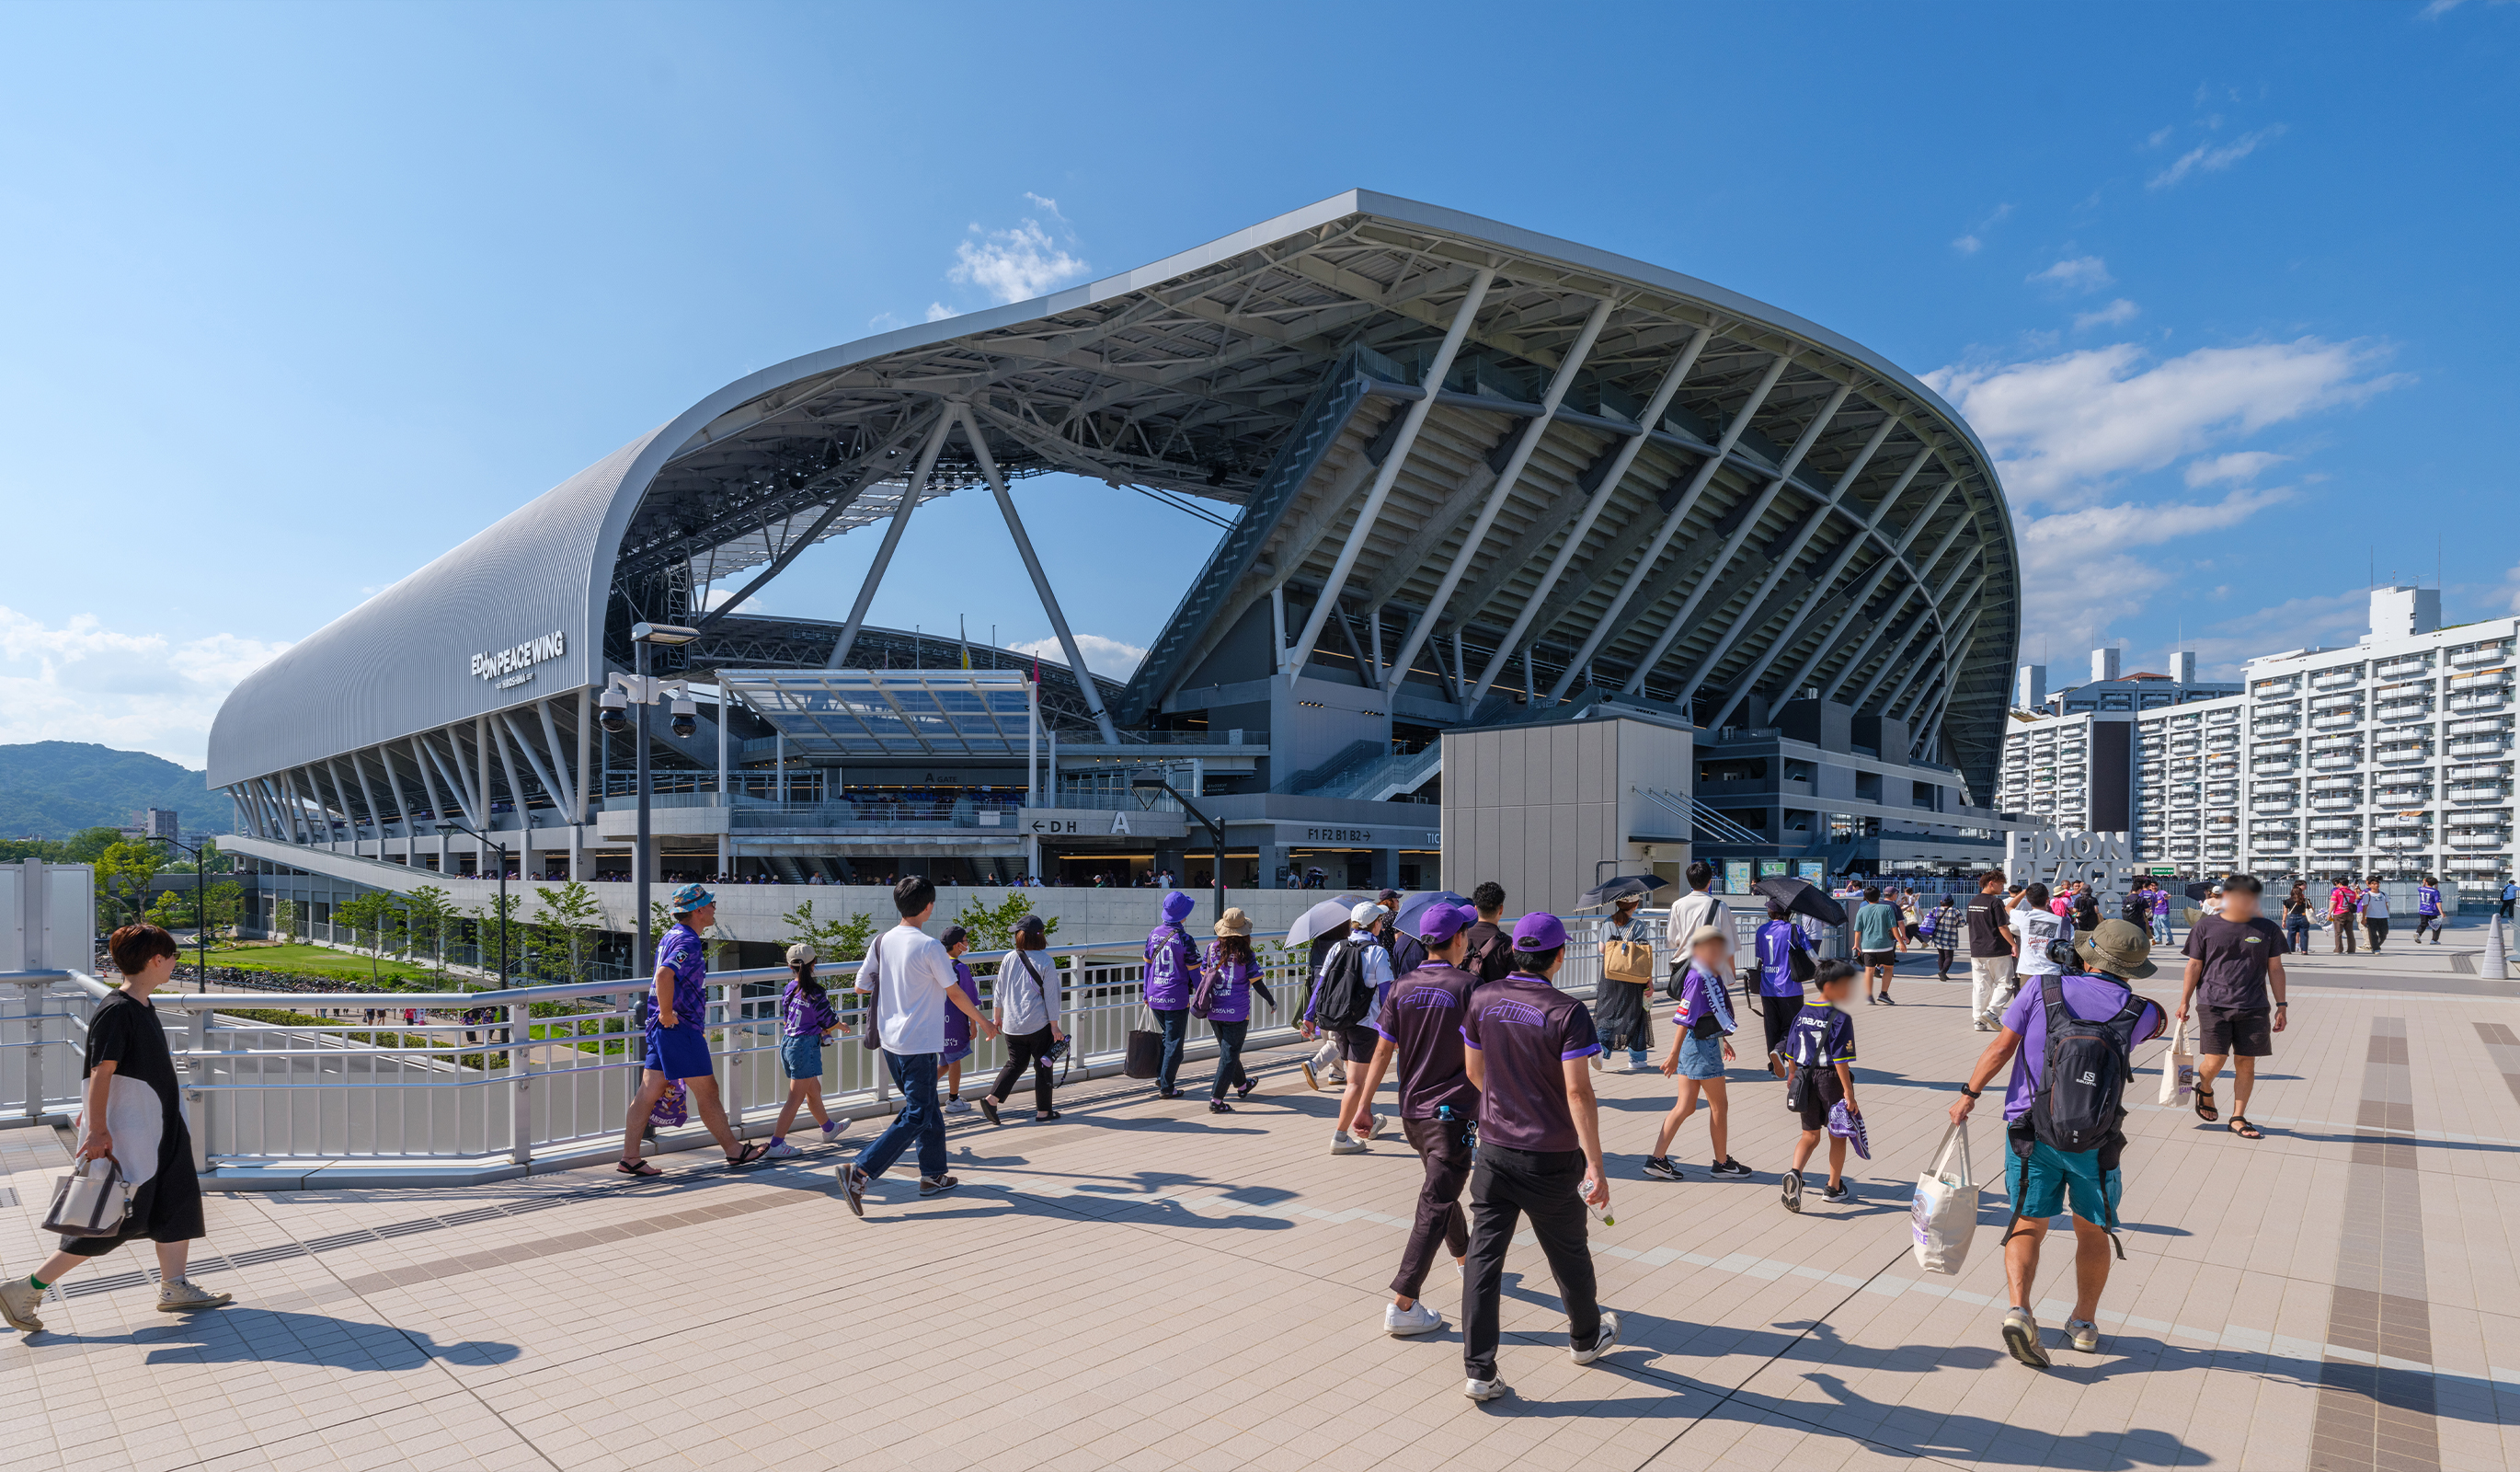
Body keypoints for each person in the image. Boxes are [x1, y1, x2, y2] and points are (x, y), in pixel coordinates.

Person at [1947, 918, 2166, 1367]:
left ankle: (2020, 1310)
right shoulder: (2139, 1011)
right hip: (2096, 1139)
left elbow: (2000, 1050)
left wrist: (1968, 1095)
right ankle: (2084, 1324)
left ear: (2086, 956)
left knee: (2028, 1221)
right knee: (2092, 1229)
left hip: (2030, 1129)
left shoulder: (2040, 990)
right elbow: (2160, 1023)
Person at [1, 925, 231, 1333]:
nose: (176, 962)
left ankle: (174, 1286)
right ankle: (26, 1288)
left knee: (176, 1202)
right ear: (155, 960)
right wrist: (97, 1132)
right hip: (132, 1134)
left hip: (160, 1126)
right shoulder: (117, 1010)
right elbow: (99, 1073)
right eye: (173, 956)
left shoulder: (140, 1005)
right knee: (112, 1219)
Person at [1460, 913, 1618, 1401]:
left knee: (1484, 1260)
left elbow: (1473, 1071)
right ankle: (1585, 1338)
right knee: (1569, 1249)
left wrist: (1505, 1108)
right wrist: (1595, 1163)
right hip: (1550, 1154)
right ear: (1559, 955)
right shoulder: (1567, 1012)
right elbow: (1578, 1092)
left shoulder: (1482, 998)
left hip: (1494, 1151)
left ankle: (1479, 1371)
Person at [839, 877, 1000, 1215]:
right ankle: (861, 1171)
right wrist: (983, 1021)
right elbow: (954, 992)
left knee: (926, 1107)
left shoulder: (881, 941)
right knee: (918, 1112)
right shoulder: (930, 947)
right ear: (928, 907)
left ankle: (933, 1175)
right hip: (919, 1043)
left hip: (890, 1042)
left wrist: (898, 985)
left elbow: (861, 987)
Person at [1369, 903, 1483, 1336]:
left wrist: (1361, 1106)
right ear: (1458, 939)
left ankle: (1464, 1257)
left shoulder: (1401, 987)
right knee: (1436, 1199)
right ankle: (1403, 1301)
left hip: (1412, 1112)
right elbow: (1483, 1057)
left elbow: (1382, 1050)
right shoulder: (1469, 987)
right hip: (1453, 1114)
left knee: (1442, 1187)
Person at [619, 885, 770, 1176]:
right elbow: (664, 975)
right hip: (679, 1028)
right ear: (698, 910)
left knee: (648, 1092)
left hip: (661, 1028)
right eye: (710, 904)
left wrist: (661, 1016)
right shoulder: (687, 941)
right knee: (708, 1091)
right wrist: (667, 1014)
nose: (714, 907)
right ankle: (735, 1152)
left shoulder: (671, 935)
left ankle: (630, 1157)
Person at [2176, 873, 2289, 1142]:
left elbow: (2275, 968)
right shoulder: (2205, 927)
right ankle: (2204, 1086)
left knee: (2246, 1063)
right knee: (2215, 1060)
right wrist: (2184, 1000)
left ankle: (2237, 1117)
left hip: (2254, 1005)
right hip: (2213, 1002)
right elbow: (2194, 965)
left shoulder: (2268, 929)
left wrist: (2281, 1005)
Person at [1644, 926, 1751, 1182]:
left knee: (1686, 1106)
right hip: (1700, 1047)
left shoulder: (1706, 972)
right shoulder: (1698, 976)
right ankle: (1722, 1163)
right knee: (1719, 1106)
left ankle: (1657, 1160)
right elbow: (1684, 1018)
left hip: (1703, 1043)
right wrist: (1672, 1055)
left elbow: (1710, 1011)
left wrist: (1722, 1040)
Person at [1305, 901, 1396, 1154]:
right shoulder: (1378, 953)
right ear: (1374, 925)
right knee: (1356, 1083)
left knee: (1355, 1082)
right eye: (1379, 921)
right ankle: (1340, 1136)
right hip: (1365, 1024)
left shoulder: (1337, 947)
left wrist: (1309, 1015)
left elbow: (1321, 984)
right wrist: (1394, 1028)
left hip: (1339, 1021)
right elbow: (1387, 994)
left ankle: (1367, 1120)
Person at [1779, 959, 1861, 1212]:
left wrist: (1793, 1077)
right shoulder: (1840, 1017)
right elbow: (1840, 1059)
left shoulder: (1802, 1013)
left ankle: (1795, 1173)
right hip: (1830, 1080)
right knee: (1838, 1135)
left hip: (1804, 1076)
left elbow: (1790, 1051)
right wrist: (1849, 1092)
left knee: (1809, 1135)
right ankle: (1833, 1187)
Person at [764, 943, 850, 1158]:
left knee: (814, 1089)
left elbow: (789, 1018)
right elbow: (828, 1019)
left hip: (789, 1043)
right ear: (814, 965)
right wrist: (840, 1026)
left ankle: (829, 1128)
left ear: (790, 966)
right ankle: (776, 1144)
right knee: (795, 1097)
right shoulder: (815, 991)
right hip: (805, 1047)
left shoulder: (789, 988)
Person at [977, 914, 1065, 1125]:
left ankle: (992, 1099)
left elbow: (998, 990)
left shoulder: (1009, 957)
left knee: (1016, 1063)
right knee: (1043, 1065)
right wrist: (1055, 1026)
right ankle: (1044, 1112)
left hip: (1012, 1025)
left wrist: (996, 1018)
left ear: (1021, 936)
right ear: (1041, 937)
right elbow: (1052, 997)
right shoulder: (1046, 961)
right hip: (1038, 1025)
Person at [1200, 908, 1263, 1114]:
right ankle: (1216, 1100)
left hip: (1214, 1009)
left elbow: (1204, 973)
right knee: (1229, 1055)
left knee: (1229, 1051)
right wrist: (1272, 1002)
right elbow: (1257, 982)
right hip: (1237, 1012)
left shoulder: (1211, 948)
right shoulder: (1246, 954)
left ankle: (1243, 1085)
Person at [1141, 891, 1202, 1099]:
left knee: (1168, 1039)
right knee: (1175, 1044)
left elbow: (1147, 965)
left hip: (1154, 994)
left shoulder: (1154, 934)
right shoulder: (1185, 939)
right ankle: (1167, 1086)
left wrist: (1145, 991)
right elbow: (1195, 973)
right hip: (1176, 998)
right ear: (1183, 916)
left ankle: (1162, 1075)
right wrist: (1203, 996)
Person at [1592, 894, 1657, 1073]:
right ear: (1635, 905)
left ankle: (1601, 1048)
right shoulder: (1638, 925)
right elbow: (1642, 957)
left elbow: (1602, 949)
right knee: (1635, 1014)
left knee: (1608, 1012)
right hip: (1632, 977)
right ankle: (1637, 1058)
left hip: (1610, 976)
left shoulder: (1607, 922)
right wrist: (1649, 982)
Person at [1750, 901, 1811, 1069]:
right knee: (1793, 1025)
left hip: (1767, 986)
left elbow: (1761, 957)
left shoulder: (1762, 930)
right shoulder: (1794, 929)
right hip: (1790, 986)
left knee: (1771, 1027)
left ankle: (1773, 1064)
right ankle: (1780, 1050)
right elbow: (1810, 953)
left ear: (1771, 913)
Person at [1966, 870, 2019, 1033]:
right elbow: (2002, 926)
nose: (2003, 887)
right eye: (2000, 883)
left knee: (1981, 987)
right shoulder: (1995, 902)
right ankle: (1992, 1012)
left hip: (1977, 950)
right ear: (1991, 883)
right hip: (1997, 950)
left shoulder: (1972, 902)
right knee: (2005, 983)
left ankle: (1978, 1021)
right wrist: (2013, 944)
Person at [937, 926, 983, 1113]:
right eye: (965, 940)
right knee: (954, 1060)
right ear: (958, 945)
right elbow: (969, 999)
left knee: (945, 1062)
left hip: (938, 1021)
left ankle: (919, 1094)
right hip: (955, 1022)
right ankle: (953, 1100)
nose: (967, 943)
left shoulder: (938, 965)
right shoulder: (960, 969)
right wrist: (974, 1024)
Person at [2010, 882, 2068, 1017]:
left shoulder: (2024, 917)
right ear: (2048, 899)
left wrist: (2025, 892)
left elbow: (2009, 907)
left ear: (2029, 901)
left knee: (2028, 1009)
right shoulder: (2062, 922)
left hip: (2027, 972)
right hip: (2052, 972)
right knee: (2051, 1010)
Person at [1668, 861, 1730, 968]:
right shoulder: (1721, 906)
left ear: (1689, 881)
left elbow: (1671, 941)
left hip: (1683, 966)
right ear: (1709, 881)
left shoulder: (1677, 905)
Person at [1854, 884, 1904, 1005]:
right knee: (1888, 968)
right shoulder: (1887, 909)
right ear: (1879, 896)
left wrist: (1856, 944)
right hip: (1885, 945)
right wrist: (1901, 942)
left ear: (1865, 898)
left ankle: (1868, 996)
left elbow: (1858, 930)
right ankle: (1883, 994)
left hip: (1867, 946)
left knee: (1869, 970)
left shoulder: (1861, 910)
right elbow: (1894, 928)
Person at [1463, 882, 1515, 983]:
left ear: (1476, 909)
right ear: (1501, 910)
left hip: (1464, 998)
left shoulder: (1460, 939)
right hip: (1498, 998)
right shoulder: (1507, 944)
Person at [1926, 891, 1961, 982]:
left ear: (1941, 901)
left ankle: (1942, 973)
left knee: (1941, 956)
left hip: (1938, 936)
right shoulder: (1955, 910)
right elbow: (1962, 923)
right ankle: (1943, 972)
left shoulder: (1935, 909)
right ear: (1952, 901)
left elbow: (1927, 918)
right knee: (1949, 957)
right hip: (1951, 937)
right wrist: (1954, 924)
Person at [2280, 881, 2315, 955]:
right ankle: (2304, 950)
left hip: (2292, 917)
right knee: (2304, 934)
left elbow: (2285, 912)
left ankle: (2289, 949)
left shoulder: (2287, 901)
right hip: (2303, 917)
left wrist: (2283, 921)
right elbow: (2312, 909)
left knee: (2291, 934)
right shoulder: (2306, 900)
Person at [2329, 877, 2359, 954]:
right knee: (2350, 932)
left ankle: (2338, 949)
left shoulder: (2336, 892)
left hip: (2339, 913)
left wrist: (2329, 913)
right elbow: (2353, 901)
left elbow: (2333, 903)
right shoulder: (2352, 892)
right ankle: (2351, 949)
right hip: (2349, 913)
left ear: (2339, 884)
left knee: (2338, 933)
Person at [2413, 874, 2446, 945]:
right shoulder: (2435, 892)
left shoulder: (2420, 889)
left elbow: (2424, 888)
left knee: (2423, 924)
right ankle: (2434, 940)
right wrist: (2441, 912)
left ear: (2427, 882)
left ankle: (2418, 933)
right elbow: (2438, 902)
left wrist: (2424, 883)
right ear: (2435, 884)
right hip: (2433, 911)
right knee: (2436, 926)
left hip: (2422, 910)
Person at [2360, 880, 2391, 953]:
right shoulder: (2367, 895)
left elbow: (2386, 905)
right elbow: (2365, 907)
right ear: (2370, 885)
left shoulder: (2383, 894)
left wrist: (2387, 914)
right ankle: (2376, 948)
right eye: (2374, 884)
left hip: (2383, 916)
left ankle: (2376, 945)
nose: (2376, 885)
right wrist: (2364, 918)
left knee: (2384, 933)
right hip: (2371, 916)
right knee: (2373, 933)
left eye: (2377, 883)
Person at [2148, 880, 2174, 948]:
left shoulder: (2161, 892)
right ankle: (2158, 939)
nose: (2154, 887)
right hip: (2155, 912)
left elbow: (2165, 895)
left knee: (2165, 926)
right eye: (2152, 886)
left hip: (2163, 912)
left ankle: (2170, 940)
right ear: (2150, 887)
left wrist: (2168, 896)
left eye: (2155, 885)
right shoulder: (2151, 894)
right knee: (2155, 925)